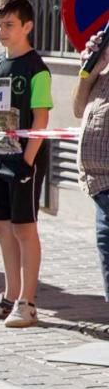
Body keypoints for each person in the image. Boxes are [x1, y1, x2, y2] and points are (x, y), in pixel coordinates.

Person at [0, 0, 52, 328]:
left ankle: (28, 302)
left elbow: (41, 119)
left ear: (27, 26)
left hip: (22, 157)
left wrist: (28, 160)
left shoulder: (37, 68)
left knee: (24, 227)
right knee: (0, 226)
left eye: (9, 25)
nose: (2, 31)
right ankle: (9, 297)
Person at [73, 29, 109, 302]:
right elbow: (77, 107)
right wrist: (91, 70)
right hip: (99, 179)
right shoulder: (103, 52)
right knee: (106, 245)